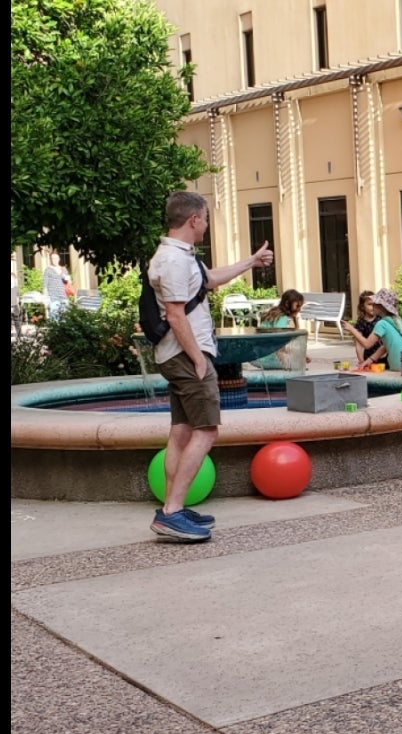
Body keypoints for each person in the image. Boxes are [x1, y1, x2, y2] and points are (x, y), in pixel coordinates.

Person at [147, 191, 274, 542]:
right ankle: (171, 513)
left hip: (180, 355)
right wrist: (199, 358)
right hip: (187, 355)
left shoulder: (182, 256)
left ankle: (173, 507)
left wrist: (250, 262)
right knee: (207, 431)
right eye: (205, 217)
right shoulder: (172, 260)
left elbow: (210, 281)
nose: (206, 223)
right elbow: (174, 313)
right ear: (193, 220)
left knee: (183, 431)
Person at [342, 287, 402, 371]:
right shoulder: (397, 320)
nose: (372, 306)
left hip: (397, 366)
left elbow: (367, 345)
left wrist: (351, 329)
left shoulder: (382, 323)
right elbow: (385, 346)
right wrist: (370, 360)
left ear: (380, 306)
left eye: (374, 304)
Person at [255, 289, 308, 370]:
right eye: (297, 306)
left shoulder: (275, 312)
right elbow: (279, 345)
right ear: (287, 304)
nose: (299, 310)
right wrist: (287, 365)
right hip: (265, 359)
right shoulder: (281, 318)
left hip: (259, 355)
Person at [349, 290, 386, 367]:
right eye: (369, 304)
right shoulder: (361, 323)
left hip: (384, 355)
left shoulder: (381, 319)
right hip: (369, 358)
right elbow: (358, 345)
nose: (373, 307)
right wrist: (362, 361)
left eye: (375, 304)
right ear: (362, 306)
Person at [43, 252, 68, 319]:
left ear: (59, 259)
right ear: (50, 260)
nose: (55, 260)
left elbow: (68, 282)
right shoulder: (48, 270)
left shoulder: (63, 269)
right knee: (54, 319)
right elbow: (45, 285)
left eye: (56, 258)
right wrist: (45, 299)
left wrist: (67, 278)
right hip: (53, 297)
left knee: (65, 318)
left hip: (63, 296)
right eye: (53, 258)